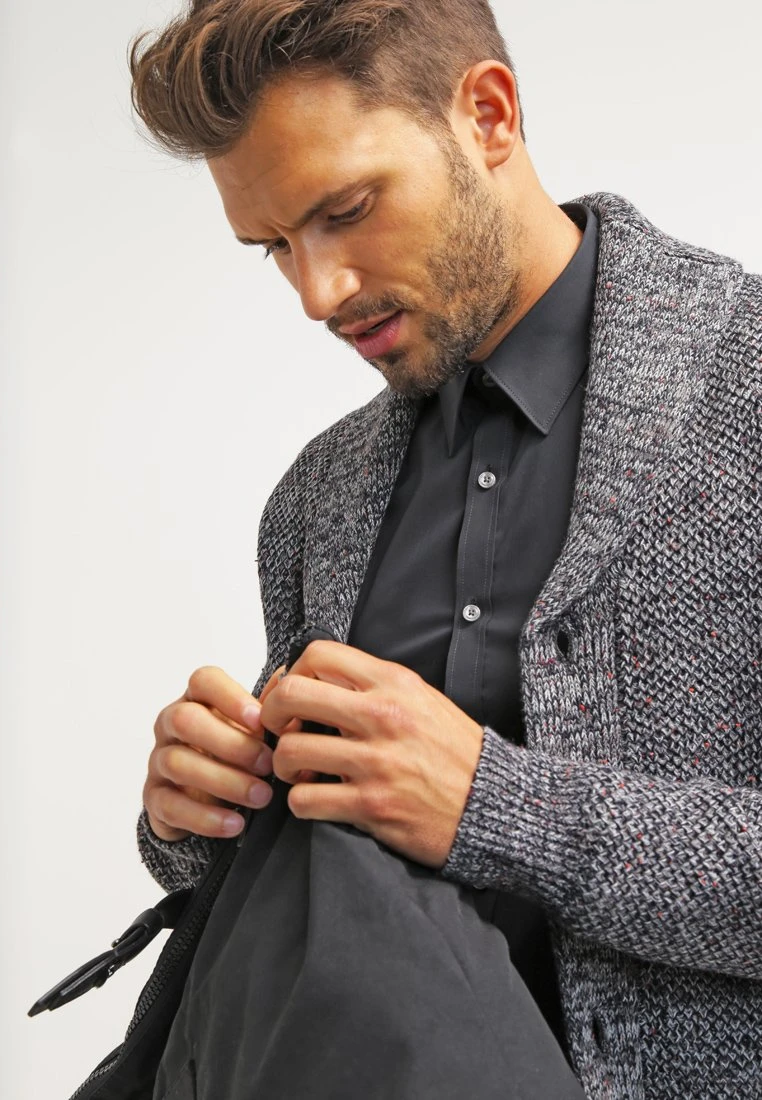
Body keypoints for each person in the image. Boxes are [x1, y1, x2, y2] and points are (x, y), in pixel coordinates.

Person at [129, 1, 762, 1097]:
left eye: (345, 209)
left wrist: (495, 806)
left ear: (488, 114)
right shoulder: (318, 494)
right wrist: (194, 814)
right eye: (274, 246)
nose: (317, 291)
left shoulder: (742, 385)